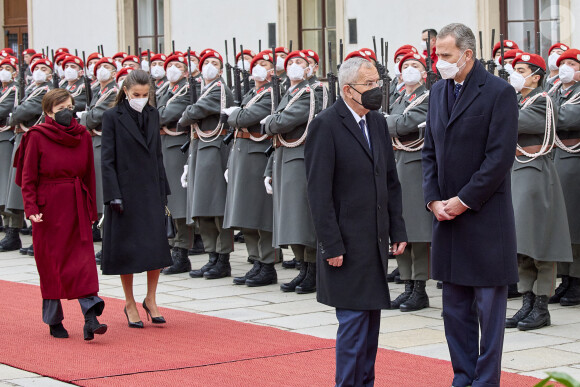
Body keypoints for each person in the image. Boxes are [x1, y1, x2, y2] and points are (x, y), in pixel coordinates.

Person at [422, 23, 518, 387]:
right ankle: (463, 377)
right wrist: (432, 199)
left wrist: (462, 201)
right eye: (436, 55)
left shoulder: (498, 92)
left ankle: (485, 381)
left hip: (483, 219)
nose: (438, 62)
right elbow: (429, 151)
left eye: (445, 56)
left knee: (489, 313)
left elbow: (498, 159)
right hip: (446, 219)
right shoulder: (437, 92)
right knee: (455, 312)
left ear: (467, 54)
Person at [305, 56, 407, 387]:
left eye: (377, 82)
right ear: (348, 90)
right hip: (345, 245)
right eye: (369, 84)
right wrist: (330, 244)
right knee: (352, 324)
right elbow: (318, 193)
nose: (376, 89)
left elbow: (390, 179)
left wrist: (398, 228)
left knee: (370, 326)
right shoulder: (326, 124)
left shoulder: (376, 121)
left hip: (374, 240)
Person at [15, 88, 107, 340]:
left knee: (82, 262)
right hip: (48, 208)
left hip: (76, 203)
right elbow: (28, 177)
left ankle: (90, 317)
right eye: (60, 109)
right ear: (48, 112)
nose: (67, 113)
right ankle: (54, 320)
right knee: (52, 264)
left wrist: (91, 210)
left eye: (70, 107)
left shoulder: (82, 135)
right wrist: (31, 208)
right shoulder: (36, 136)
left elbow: (89, 175)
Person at [505, 53, 572, 330]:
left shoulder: (543, 100)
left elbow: (515, 122)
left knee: (540, 243)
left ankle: (541, 305)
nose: (516, 74)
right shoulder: (518, 100)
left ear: (536, 76)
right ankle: (528, 300)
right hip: (516, 172)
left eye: (522, 70)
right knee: (521, 244)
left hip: (535, 174)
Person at [100, 69, 172, 328]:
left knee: (155, 248)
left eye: (145, 94)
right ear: (126, 92)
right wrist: (113, 195)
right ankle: (129, 302)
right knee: (127, 249)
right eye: (135, 94)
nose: (140, 98)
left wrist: (163, 190)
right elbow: (107, 159)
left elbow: (157, 155)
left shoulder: (153, 114)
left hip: (151, 189)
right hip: (125, 192)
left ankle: (151, 299)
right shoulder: (112, 116)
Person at [263, 50, 322, 294]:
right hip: (284, 157)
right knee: (289, 217)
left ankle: (314, 270)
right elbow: (277, 133)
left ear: (312, 68)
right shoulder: (290, 93)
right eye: (292, 63)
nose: (295, 66)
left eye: (301, 62)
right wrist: (269, 169)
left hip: (300, 157)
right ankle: (303, 268)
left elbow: (282, 122)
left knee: (302, 217)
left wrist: (267, 122)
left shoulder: (313, 91)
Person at [222, 50, 281, 286]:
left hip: (257, 155)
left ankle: (267, 264)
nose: (259, 68)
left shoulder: (272, 93)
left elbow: (245, 118)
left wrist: (236, 115)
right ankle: (255, 260)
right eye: (257, 64)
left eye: (265, 64)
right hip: (241, 153)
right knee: (245, 212)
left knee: (260, 212)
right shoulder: (251, 92)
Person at [178, 50, 235, 280]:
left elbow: (192, 113)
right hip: (200, 150)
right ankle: (212, 256)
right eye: (206, 63)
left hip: (214, 151)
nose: (210, 66)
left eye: (214, 63)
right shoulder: (203, 89)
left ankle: (223, 259)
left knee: (216, 207)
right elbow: (188, 117)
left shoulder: (219, 90)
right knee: (202, 207)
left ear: (221, 70)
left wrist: (187, 114)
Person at [387, 52, 433, 311]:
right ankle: (406, 283)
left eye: (415, 65)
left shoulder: (427, 97)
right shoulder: (399, 97)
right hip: (397, 162)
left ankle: (419, 287)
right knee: (399, 226)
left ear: (424, 74)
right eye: (405, 66)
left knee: (416, 229)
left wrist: (387, 123)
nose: (409, 70)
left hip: (415, 164)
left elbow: (405, 124)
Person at [157, 53, 194, 274]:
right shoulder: (165, 90)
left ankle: (182, 252)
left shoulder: (185, 90)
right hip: (163, 146)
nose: (173, 69)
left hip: (176, 147)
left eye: (178, 65)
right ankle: (172, 248)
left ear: (186, 71)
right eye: (170, 65)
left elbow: (163, 115)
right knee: (167, 202)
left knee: (179, 204)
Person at [550, 48, 580, 306]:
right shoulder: (555, 92)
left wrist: (545, 114)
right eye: (563, 63)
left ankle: (577, 279)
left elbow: (568, 117)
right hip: (556, 157)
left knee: (574, 223)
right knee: (560, 222)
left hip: (573, 159)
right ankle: (565, 278)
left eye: (572, 63)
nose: (566, 68)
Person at [0, 57, 22, 252]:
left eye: (8, 68)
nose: (4, 71)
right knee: (3, 188)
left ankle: (13, 230)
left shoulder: (14, 90)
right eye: (2, 68)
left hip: (8, 138)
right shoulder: (3, 90)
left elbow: (5, 111)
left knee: (10, 187)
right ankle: (7, 226)